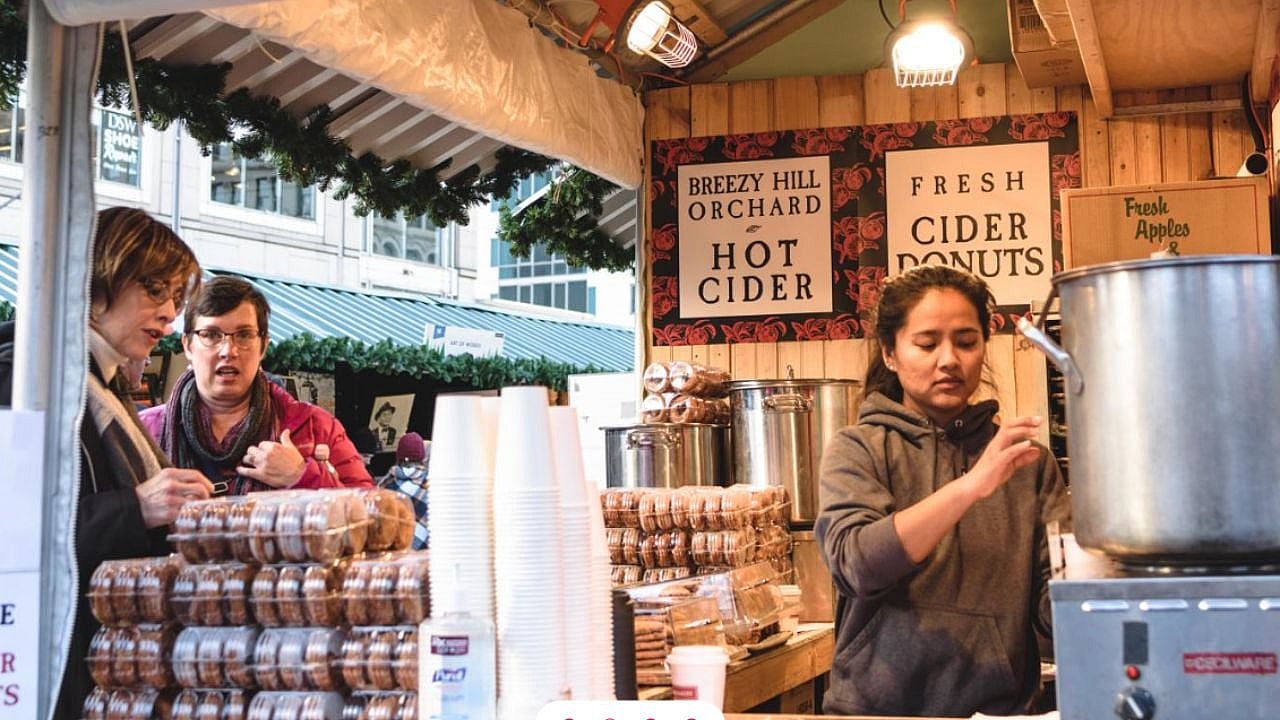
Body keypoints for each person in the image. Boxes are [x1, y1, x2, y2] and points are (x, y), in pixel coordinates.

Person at [815, 265, 1069, 717]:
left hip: (998, 711)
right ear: (890, 353)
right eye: (928, 344)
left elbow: (1055, 609)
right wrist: (970, 487)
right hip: (875, 713)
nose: (949, 359)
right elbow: (857, 564)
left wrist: (1105, 575)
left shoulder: (1027, 464)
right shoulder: (859, 449)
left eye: (967, 342)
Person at [57, 207, 214, 717]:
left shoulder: (101, 386)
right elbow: (17, 536)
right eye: (154, 288)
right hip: (60, 671)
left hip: (108, 667)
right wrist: (137, 507)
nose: (169, 313)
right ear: (100, 276)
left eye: (174, 296)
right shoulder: (34, 382)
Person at [140, 276, 373, 493]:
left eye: (243, 335)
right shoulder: (144, 432)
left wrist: (302, 476)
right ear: (188, 346)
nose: (227, 351)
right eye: (211, 335)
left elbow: (378, 519)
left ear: (263, 346)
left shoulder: (315, 428)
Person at [379, 431, 431, 549]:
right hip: (426, 556)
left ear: (398, 456)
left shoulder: (386, 482)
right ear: (422, 457)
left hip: (394, 554)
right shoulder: (431, 484)